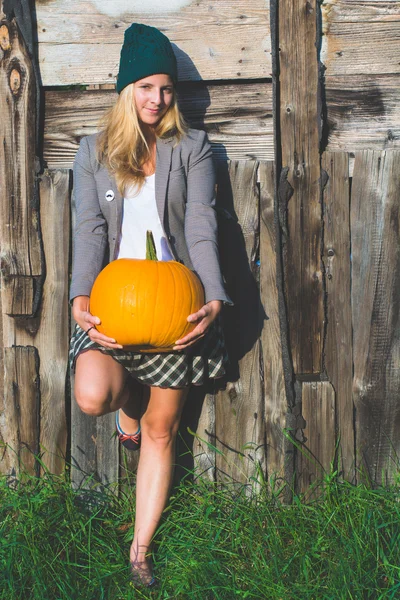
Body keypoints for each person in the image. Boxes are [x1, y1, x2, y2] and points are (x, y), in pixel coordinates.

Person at [69, 23, 232, 588]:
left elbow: (202, 227)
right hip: (114, 307)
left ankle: (139, 553)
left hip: (175, 307)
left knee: (161, 433)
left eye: (165, 89)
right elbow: (89, 230)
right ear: (125, 89)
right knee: (93, 393)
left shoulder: (192, 148)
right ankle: (127, 409)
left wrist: (213, 299)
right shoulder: (93, 152)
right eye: (145, 87)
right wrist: (78, 299)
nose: (157, 100)